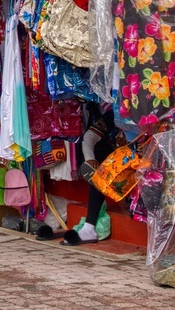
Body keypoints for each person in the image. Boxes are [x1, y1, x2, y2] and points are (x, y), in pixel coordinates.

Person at [62, 105, 121, 245]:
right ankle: (89, 227)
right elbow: (89, 136)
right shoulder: (116, 113)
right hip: (119, 164)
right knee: (98, 172)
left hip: (142, 163)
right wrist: (90, 160)